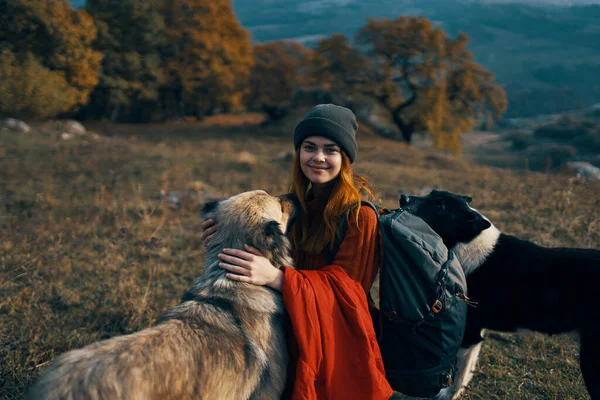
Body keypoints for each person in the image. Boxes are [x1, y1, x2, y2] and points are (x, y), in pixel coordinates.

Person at [201, 104, 393, 400]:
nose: (318, 157)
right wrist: (225, 239)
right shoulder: (294, 207)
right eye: (309, 147)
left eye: (331, 150)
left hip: (333, 342)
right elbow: (266, 256)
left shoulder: (360, 217)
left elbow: (348, 293)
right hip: (287, 330)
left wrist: (278, 279)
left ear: (345, 158)